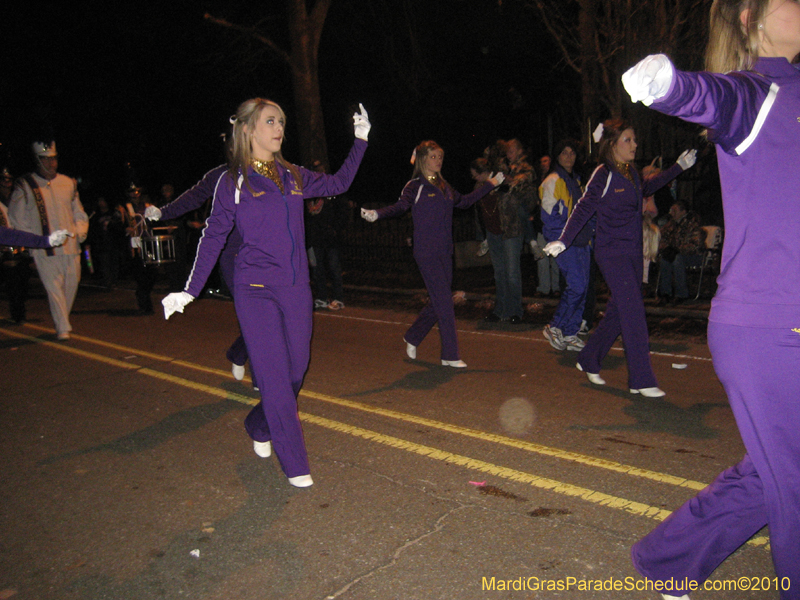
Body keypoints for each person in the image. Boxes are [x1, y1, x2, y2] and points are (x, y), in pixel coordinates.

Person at [622, 0, 800, 597]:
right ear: (750, 17)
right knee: (793, 479)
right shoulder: (756, 94)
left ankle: (672, 558)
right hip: (770, 325)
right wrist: (669, 85)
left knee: (776, 470)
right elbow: (714, 99)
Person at [161, 99, 370, 488]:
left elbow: (340, 183)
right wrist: (190, 289)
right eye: (270, 121)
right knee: (273, 377)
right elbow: (213, 236)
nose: (278, 128)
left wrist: (360, 139)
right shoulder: (232, 181)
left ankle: (259, 424)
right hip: (254, 289)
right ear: (248, 130)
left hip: (295, 289)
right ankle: (294, 463)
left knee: (296, 370)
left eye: (281, 122)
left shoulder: (292, 174)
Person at [543, 119, 696, 398]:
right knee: (634, 312)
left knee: (619, 310)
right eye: (629, 140)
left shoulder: (632, 173)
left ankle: (589, 358)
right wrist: (564, 240)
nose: (635, 145)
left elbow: (648, 187)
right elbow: (584, 206)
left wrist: (678, 168)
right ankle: (641, 379)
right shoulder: (604, 173)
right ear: (613, 144)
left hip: (633, 253)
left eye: (634, 140)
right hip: (611, 253)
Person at [361, 140, 504, 366]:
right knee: (445, 303)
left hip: (445, 252)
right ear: (422, 159)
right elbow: (400, 207)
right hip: (426, 252)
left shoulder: (444, 186)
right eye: (433, 156)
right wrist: (378, 214)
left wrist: (489, 184)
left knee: (440, 300)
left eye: (440, 157)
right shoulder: (414, 186)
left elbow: (465, 202)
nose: (438, 160)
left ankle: (413, 335)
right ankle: (450, 355)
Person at [8, 141, 88, 340]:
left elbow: (79, 213)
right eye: (46, 159)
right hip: (45, 249)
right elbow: (17, 217)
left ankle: (62, 321)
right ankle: (63, 329)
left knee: (71, 285)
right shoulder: (26, 185)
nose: (51, 163)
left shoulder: (67, 182)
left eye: (53, 158)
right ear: (38, 160)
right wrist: (33, 241)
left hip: (70, 247)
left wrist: (79, 231)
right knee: (54, 289)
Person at [539, 139, 591, 351]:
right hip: (564, 242)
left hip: (582, 240)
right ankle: (556, 325)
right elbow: (549, 216)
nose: (569, 156)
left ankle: (570, 331)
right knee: (577, 285)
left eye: (572, 153)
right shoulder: (552, 180)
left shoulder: (576, 180)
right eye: (564, 152)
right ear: (557, 156)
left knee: (583, 288)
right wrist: (560, 240)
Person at [479, 140, 533, 324]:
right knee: (499, 273)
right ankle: (500, 309)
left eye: (511, 150)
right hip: (494, 227)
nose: (507, 153)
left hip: (511, 227)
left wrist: (505, 180)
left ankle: (515, 311)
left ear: (519, 151)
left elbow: (521, 187)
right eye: (505, 151)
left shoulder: (524, 169)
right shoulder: (497, 168)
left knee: (511, 273)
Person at [305, 160, 348, 310]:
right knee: (317, 270)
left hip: (331, 239)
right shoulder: (309, 194)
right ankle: (322, 297)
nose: (318, 172)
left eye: (320, 170)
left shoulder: (333, 191)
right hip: (315, 239)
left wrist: (336, 229)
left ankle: (338, 298)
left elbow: (343, 212)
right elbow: (306, 217)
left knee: (334, 269)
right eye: (315, 170)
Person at [656, 199, 705, 304]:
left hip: (695, 257)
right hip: (677, 254)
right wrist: (664, 246)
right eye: (671, 210)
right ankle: (665, 293)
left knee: (677, 259)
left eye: (674, 211)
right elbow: (662, 237)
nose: (671, 213)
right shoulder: (672, 224)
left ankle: (681, 294)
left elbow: (696, 246)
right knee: (665, 258)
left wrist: (677, 249)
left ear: (683, 212)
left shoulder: (693, 224)